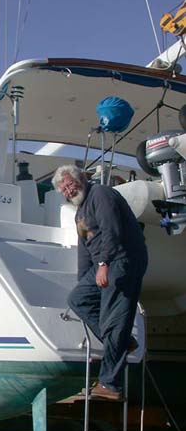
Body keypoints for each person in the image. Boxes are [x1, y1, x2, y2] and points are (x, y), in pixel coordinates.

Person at [52, 164, 148, 401]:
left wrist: (104, 263)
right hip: (103, 264)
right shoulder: (80, 212)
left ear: (81, 179)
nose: (68, 191)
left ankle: (110, 384)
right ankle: (123, 343)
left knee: (113, 321)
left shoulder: (101, 194)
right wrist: (83, 280)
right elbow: (85, 251)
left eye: (69, 185)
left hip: (121, 260)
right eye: (63, 189)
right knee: (77, 299)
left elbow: (111, 229)